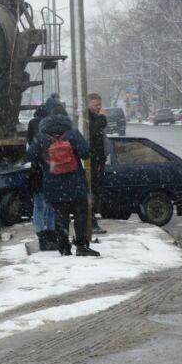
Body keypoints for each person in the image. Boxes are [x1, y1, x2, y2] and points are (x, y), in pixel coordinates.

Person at [26, 95, 100, 257]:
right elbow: (86, 153)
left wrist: (46, 160)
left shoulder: (41, 136)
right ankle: (81, 246)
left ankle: (64, 247)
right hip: (76, 182)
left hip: (53, 183)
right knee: (80, 213)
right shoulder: (72, 133)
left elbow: (30, 155)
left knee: (61, 216)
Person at [26, 103, 59, 250]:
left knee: (39, 205)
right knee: (50, 205)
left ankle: (42, 234)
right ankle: (50, 233)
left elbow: (30, 149)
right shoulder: (51, 128)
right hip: (51, 171)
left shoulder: (34, 125)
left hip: (37, 171)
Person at [86, 92, 108, 235]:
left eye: (99, 105)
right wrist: (102, 118)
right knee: (92, 192)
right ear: (88, 105)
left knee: (96, 192)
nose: (98, 108)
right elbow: (92, 132)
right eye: (95, 105)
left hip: (97, 160)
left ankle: (92, 220)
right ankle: (91, 222)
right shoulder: (88, 118)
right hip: (92, 161)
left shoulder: (95, 118)